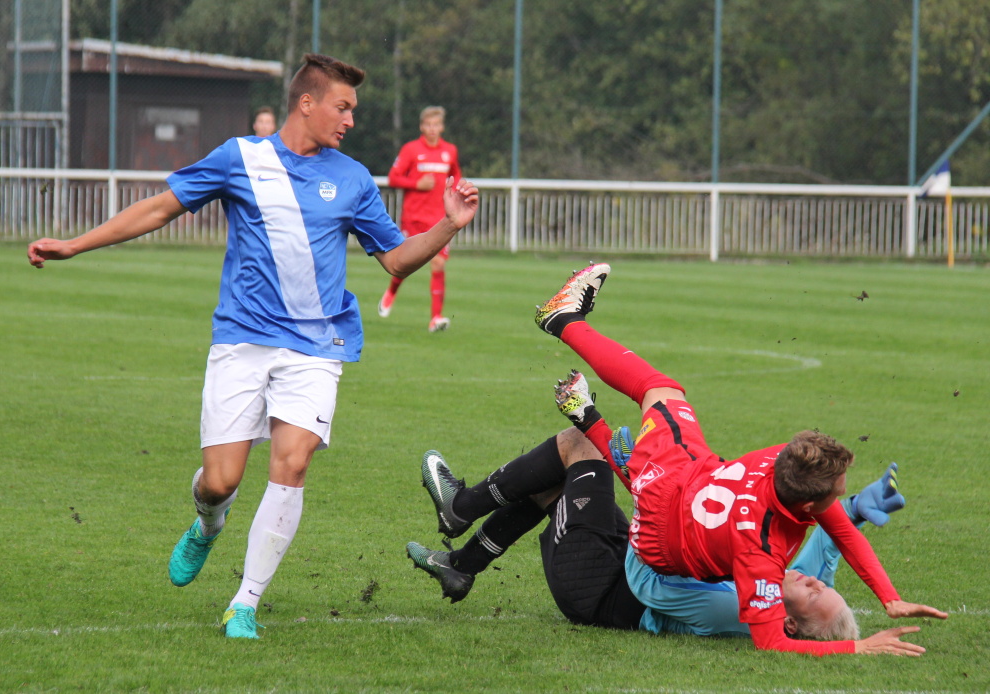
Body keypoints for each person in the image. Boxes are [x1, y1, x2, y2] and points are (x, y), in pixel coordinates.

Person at [26, 53, 479, 639]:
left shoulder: (353, 178)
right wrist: (74, 245)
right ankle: (208, 524)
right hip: (241, 339)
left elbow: (395, 258)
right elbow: (161, 208)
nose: (350, 120)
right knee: (220, 481)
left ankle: (244, 603)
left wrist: (448, 225)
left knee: (292, 464)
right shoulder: (240, 157)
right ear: (306, 103)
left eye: (353, 110)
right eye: (342, 107)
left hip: (317, 345)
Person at [527, 263, 948, 655]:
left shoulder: (778, 463)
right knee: (658, 428)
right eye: (838, 491)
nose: (840, 495)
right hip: (669, 519)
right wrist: (874, 622)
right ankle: (612, 438)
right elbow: (821, 556)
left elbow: (826, 544)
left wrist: (877, 615)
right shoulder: (762, 548)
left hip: (671, 516)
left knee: (658, 390)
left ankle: (566, 329)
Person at [407, 433, 907, 643]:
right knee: (562, 479)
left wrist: (643, 481)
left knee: (581, 446)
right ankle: (461, 566)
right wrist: (855, 510)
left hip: (600, 588)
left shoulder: (735, 610)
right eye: (823, 585)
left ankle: (460, 508)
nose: (813, 581)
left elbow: (654, 583)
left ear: (789, 623)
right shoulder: (789, 588)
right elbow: (823, 555)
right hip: (623, 560)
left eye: (814, 593)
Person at [378, 106, 462, 332]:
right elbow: (393, 178)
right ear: (422, 127)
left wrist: (456, 192)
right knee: (406, 264)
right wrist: (417, 184)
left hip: (439, 219)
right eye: (428, 125)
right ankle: (391, 292)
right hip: (413, 218)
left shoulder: (450, 151)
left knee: (438, 263)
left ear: (442, 127)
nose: (432, 129)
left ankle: (436, 318)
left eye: (436, 125)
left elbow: (455, 175)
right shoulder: (411, 149)